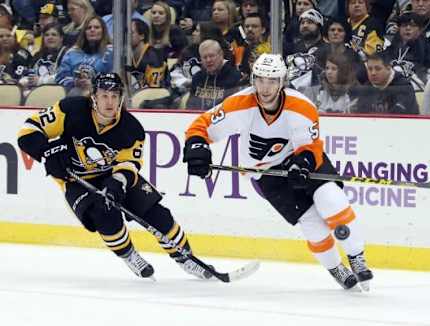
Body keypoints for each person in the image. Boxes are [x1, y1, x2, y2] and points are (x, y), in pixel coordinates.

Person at [183, 53, 373, 291]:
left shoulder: (302, 106)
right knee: (312, 222)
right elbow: (200, 126)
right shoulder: (240, 104)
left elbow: (310, 148)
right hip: (264, 173)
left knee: (331, 199)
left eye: (272, 80)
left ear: (282, 81)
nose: (265, 87)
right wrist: (197, 148)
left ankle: (356, 256)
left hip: (300, 159)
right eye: (261, 80)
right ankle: (336, 267)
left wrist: (302, 163)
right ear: (253, 79)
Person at [17, 72, 213, 281]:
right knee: (105, 217)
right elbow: (28, 130)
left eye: (114, 96)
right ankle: (129, 254)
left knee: (157, 214)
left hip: (114, 175)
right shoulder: (70, 109)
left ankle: (186, 258)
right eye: (104, 96)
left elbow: (130, 164)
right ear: (94, 97)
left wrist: (116, 183)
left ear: (121, 98)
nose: (109, 102)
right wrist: (46, 151)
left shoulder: (132, 129)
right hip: (77, 180)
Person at [354, 52, 419, 114]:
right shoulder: (366, 89)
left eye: (378, 69)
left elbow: (401, 115)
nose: (373, 73)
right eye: (370, 69)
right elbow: (360, 114)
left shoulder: (404, 87)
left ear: (388, 68)